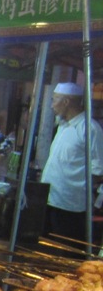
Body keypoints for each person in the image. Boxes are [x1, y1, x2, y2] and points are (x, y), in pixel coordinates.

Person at [41, 82, 103, 252]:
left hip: (71, 206)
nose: (52, 105)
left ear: (66, 101)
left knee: (65, 251)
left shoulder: (89, 128)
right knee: (46, 249)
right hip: (50, 198)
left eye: (54, 100)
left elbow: (98, 169)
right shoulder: (62, 125)